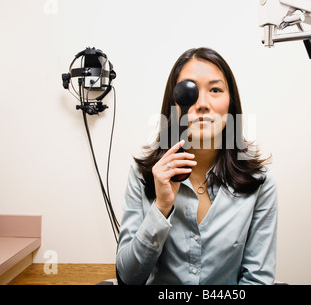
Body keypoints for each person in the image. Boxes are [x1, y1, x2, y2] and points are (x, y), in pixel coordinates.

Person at [116, 47, 278, 285]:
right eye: (189, 91)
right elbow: (128, 278)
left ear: (230, 103)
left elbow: (257, 279)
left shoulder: (260, 183)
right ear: (174, 104)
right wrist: (161, 207)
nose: (202, 104)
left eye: (215, 90)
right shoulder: (143, 176)